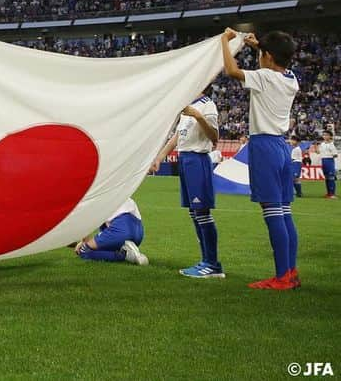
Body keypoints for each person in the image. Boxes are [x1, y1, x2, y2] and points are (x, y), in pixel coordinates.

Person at [221, 28, 301, 290]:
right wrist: (259, 47)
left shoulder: (264, 77)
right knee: (285, 213)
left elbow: (232, 71)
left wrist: (225, 42)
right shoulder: (291, 79)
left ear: (267, 56)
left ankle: (281, 278)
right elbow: (275, 62)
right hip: (282, 146)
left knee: (272, 213)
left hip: (264, 145)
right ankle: (290, 272)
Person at [150, 88, 223, 278]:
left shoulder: (207, 106)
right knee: (194, 213)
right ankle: (205, 261)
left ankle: (212, 264)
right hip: (185, 160)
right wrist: (161, 156)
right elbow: (177, 135)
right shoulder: (188, 107)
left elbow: (214, 137)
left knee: (202, 212)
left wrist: (198, 117)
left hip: (198, 159)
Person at [74, 198, 148, 265]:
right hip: (138, 234)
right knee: (103, 243)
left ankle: (125, 255)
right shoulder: (123, 193)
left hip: (120, 231)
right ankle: (127, 250)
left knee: (84, 251)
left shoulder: (95, 196)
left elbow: (87, 222)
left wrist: (84, 242)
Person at [318, 130, 337, 199]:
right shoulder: (322, 144)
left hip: (329, 161)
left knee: (331, 178)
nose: (325, 136)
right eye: (324, 135)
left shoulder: (331, 145)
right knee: (326, 178)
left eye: (326, 135)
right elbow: (318, 152)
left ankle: (332, 194)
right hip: (323, 161)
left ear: (330, 136)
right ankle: (328, 193)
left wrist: (329, 155)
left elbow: (335, 155)